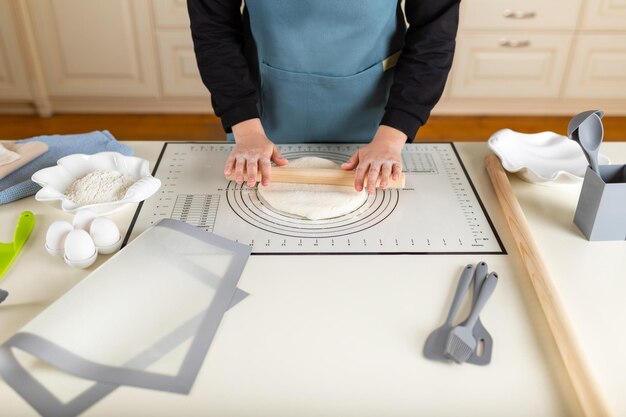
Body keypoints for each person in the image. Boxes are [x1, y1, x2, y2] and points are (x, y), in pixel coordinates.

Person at [188, 0, 459, 194]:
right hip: (259, 117)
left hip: (380, 124)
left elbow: (433, 34)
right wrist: (246, 130)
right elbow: (213, 29)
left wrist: (391, 137)